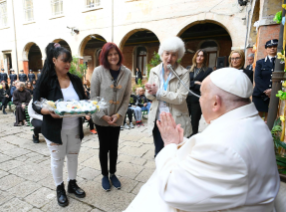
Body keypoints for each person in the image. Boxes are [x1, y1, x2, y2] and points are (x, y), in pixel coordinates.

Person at [124, 68, 280, 212]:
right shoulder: (253, 122)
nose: (199, 100)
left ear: (215, 102)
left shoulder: (224, 147)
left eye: (201, 94)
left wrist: (170, 145)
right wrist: (180, 143)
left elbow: (172, 191)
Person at [32, 43, 86, 207]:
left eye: (70, 61)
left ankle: (72, 183)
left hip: (74, 127)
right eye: (64, 60)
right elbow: (35, 103)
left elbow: (83, 100)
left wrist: (87, 109)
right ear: (54, 60)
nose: (68, 64)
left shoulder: (75, 80)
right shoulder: (46, 80)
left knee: (73, 157)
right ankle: (59, 188)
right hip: (55, 129)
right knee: (57, 159)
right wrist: (47, 111)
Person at [91, 42, 131, 191]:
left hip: (117, 118)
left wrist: (119, 114)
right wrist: (102, 115)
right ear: (105, 56)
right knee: (104, 147)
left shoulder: (126, 73)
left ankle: (113, 173)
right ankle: (104, 175)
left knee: (114, 147)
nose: (113, 57)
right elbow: (93, 97)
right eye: (110, 54)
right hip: (101, 119)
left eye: (115, 54)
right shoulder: (98, 72)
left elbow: (127, 97)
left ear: (119, 55)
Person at [145, 37, 192, 157]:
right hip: (159, 119)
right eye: (167, 54)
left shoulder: (183, 73)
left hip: (176, 119)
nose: (169, 58)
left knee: (176, 153)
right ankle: (160, 175)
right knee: (159, 152)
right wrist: (150, 91)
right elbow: (149, 96)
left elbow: (181, 98)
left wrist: (159, 92)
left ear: (178, 56)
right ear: (162, 54)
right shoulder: (154, 71)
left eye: (174, 55)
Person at [186, 50, 212, 136]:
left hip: (197, 100)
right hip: (186, 99)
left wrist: (192, 84)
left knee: (194, 122)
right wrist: (195, 83)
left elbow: (206, 86)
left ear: (205, 58)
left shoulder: (208, 70)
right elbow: (183, 83)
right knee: (184, 120)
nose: (199, 58)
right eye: (197, 55)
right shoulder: (188, 69)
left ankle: (193, 141)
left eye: (201, 56)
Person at [253, 39, 278, 120]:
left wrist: (273, 90)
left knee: (270, 119)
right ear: (266, 49)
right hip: (260, 94)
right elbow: (257, 78)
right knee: (257, 118)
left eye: (275, 46)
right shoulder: (260, 62)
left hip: (275, 95)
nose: (272, 48)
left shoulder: (281, 62)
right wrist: (266, 91)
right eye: (270, 47)